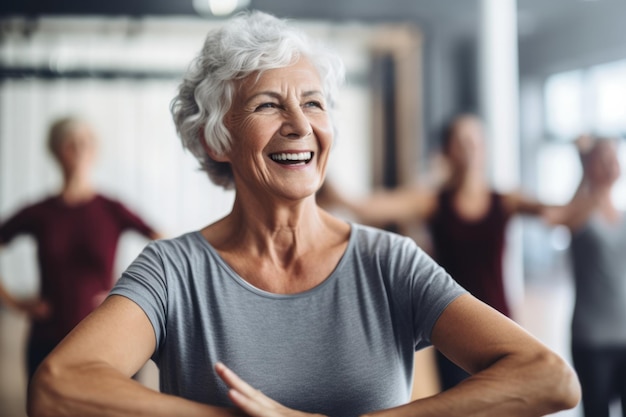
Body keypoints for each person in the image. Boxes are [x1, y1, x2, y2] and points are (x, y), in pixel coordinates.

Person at [27, 12, 580, 417]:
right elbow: (57, 387)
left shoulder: (388, 262)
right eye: (269, 104)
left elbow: (550, 379)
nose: (300, 123)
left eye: (313, 102)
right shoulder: (173, 271)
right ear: (215, 138)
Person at [320, 113, 569, 390]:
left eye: (476, 140)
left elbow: (560, 214)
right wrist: (319, 160)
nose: (470, 147)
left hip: (500, 320)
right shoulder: (433, 202)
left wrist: (587, 171)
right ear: (447, 150)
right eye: (462, 140)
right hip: (453, 326)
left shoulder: (505, 201)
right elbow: (365, 207)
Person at [0, 116, 161, 381]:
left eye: (85, 143)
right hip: (50, 341)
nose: (78, 150)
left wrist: (133, 291)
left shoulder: (111, 209)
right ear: (55, 151)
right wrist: (16, 302)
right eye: (69, 144)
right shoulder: (40, 212)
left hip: (108, 339)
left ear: (95, 151)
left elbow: (164, 243)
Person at [561, 136, 626, 417]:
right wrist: (583, 169)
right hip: (593, 338)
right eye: (602, 157)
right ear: (589, 166)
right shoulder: (581, 215)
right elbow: (564, 217)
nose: (611, 163)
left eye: (614, 156)